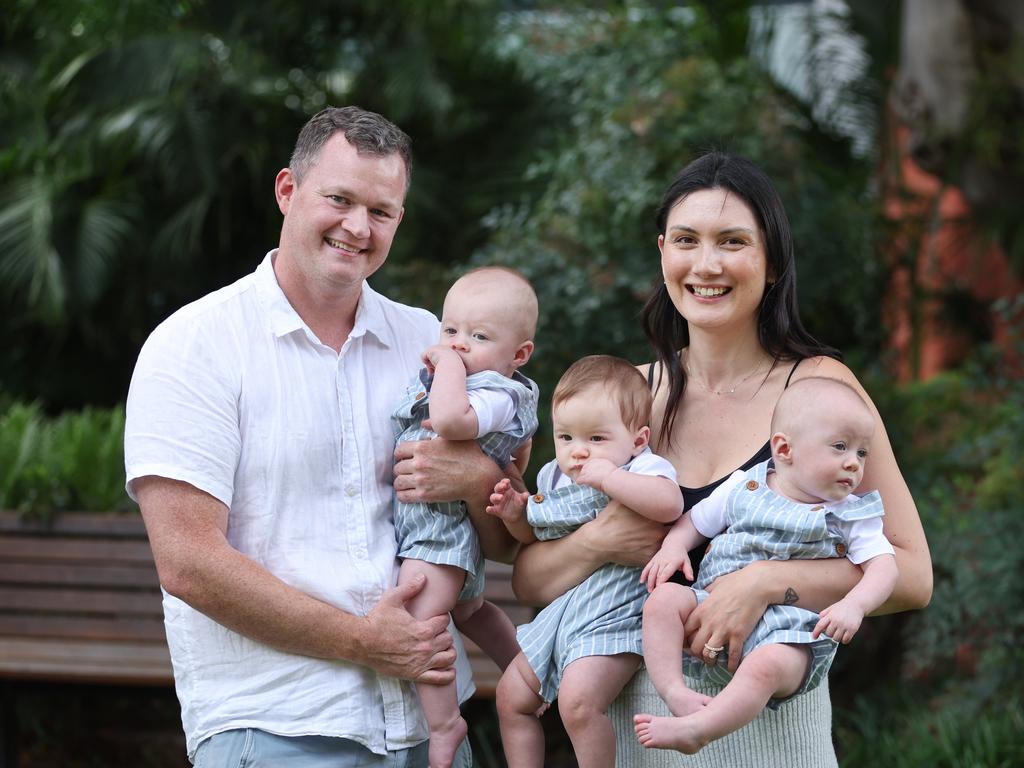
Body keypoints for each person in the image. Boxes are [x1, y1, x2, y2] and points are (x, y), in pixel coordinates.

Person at [507, 151, 932, 767]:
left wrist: (760, 585)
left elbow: (912, 575)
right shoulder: (626, 399)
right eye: (686, 240)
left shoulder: (818, 392)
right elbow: (532, 581)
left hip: (774, 743)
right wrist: (602, 540)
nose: (706, 265)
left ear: (773, 261)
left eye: (732, 241)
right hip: (639, 739)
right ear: (662, 253)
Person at [124, 106, 517, 767]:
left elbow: (505, 537)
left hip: (430, 734)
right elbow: (189, 563)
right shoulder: (195, 346)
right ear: (288, 190)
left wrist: (479, 481)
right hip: (277, 726)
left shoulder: (430, 341)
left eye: (382, 211)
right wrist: (365, 641)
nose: (358, 227)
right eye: (339, 199)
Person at [635, 376, 898, 753]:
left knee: (767, 667)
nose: (853, 463)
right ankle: (675, 693)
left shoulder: (849, 515)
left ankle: (700, 730)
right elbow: (695, 521)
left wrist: (854, 605)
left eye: (861, 452)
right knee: (661, 602)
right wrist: (674, 547)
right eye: (840, 446)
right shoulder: (745, 486)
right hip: (709, 603)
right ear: (784, 448)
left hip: (790, 634)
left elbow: (885, 566)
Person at [485, 355, 683, 768]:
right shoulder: (553, 479)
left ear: (638, 440)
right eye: (566, 437)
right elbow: (533, 536)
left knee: (577, 704)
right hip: (561, 615)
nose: (578, 453)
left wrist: (611, 479)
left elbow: (670, 505)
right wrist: (516, 515)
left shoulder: (642, 468)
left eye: (596, 439)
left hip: (614, 616)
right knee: (510, 698)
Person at [392, 266, 539, 768]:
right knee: (470, 611)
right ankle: (530, 670)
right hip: (438, 524)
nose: (458, 346)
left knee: (422, 618)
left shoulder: (498, 393)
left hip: (439, 532)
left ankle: (444, 724)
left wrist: (449, 367)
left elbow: (453, 421)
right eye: (450, 331)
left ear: (518, 356)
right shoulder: (471, 378)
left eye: (477, 337)